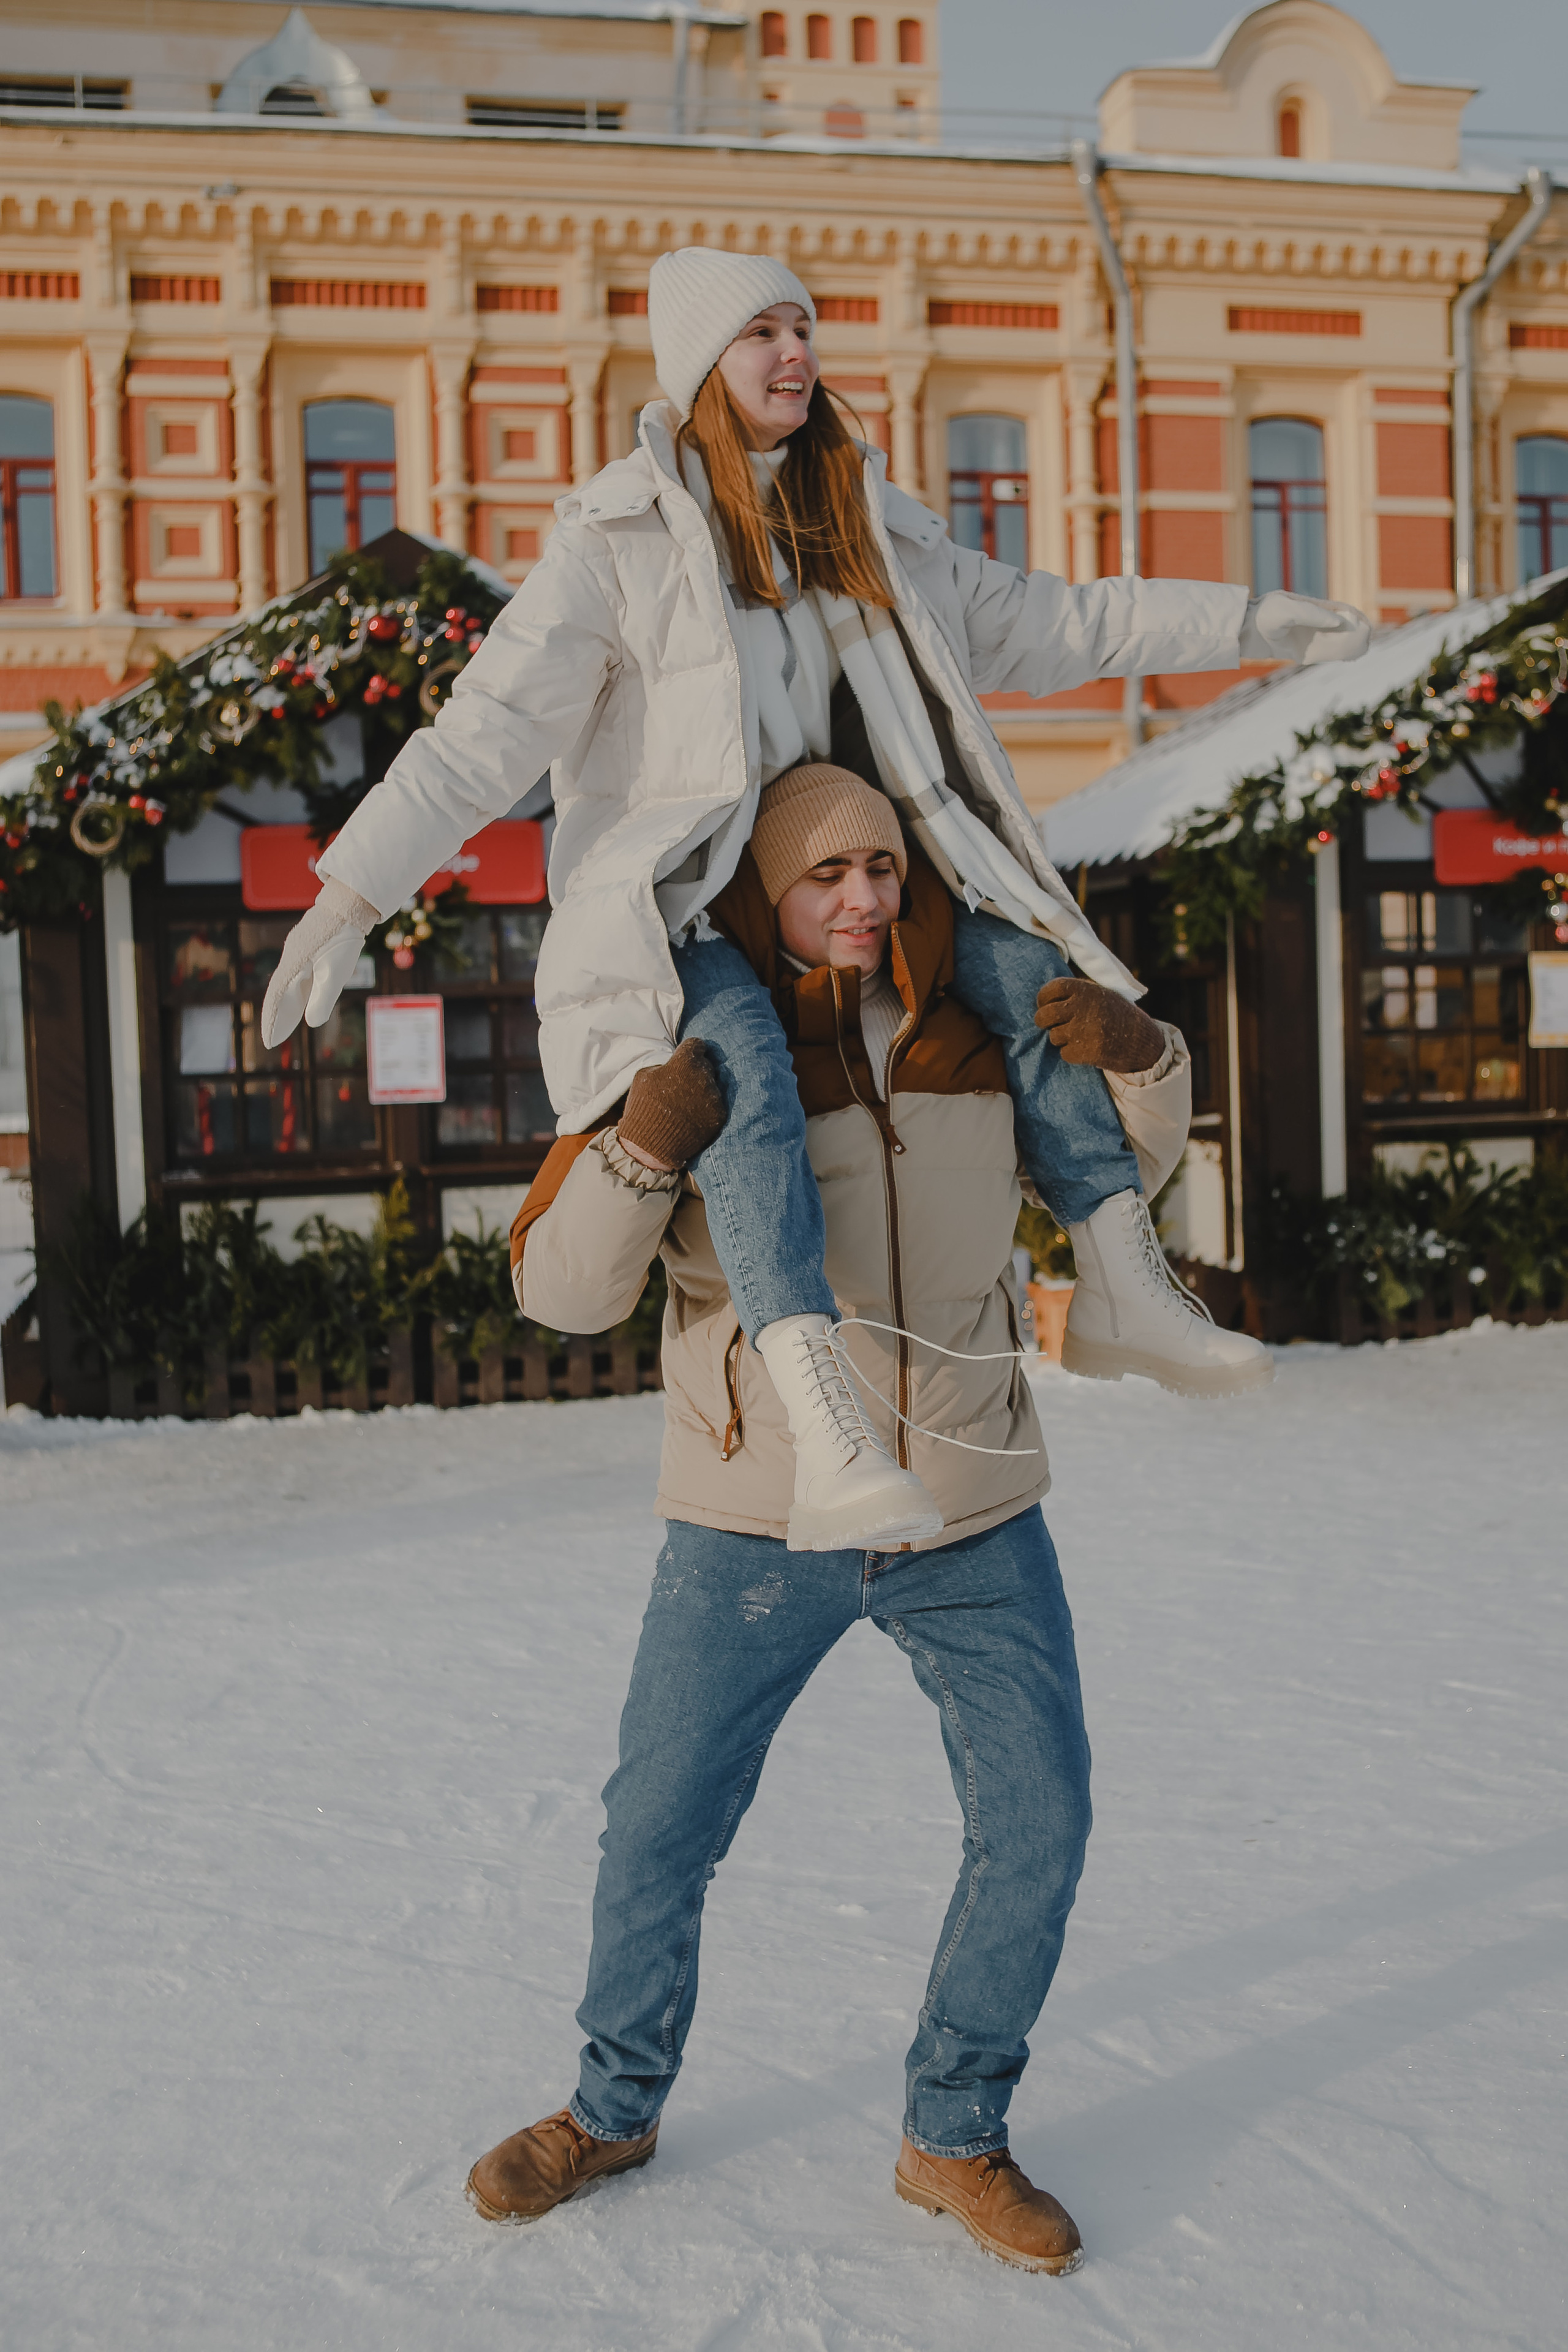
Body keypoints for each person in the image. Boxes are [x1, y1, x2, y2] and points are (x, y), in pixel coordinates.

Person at [261, 248, 1369, 1545]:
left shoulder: (870, 529)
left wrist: (1246, 616)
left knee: (1028, 972)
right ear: (697, 368)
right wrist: (348, 894)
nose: (793, 354)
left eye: (800, 327)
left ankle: (1122, 1276)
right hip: (698, 908)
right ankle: (818, 1406)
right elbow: (481, 738)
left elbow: (1062, 622)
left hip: (856, 864)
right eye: (758, 335)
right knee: (736, 1072)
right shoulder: (616, 548)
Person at [460, 763, 1200, 2271]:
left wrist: (1144, 1058)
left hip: (970, 1506)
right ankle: (610, 2107)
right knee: (657, 1832)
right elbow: (558, 1291)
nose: (863, 899)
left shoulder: (968, 1030)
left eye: (882, 869)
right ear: (760, 889)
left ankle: (954, 2134)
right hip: (755, 1513)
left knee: (1037, 1820)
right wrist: (641, 1144)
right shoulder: (690, 1043)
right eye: (825, 876)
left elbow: (1132, 1171)